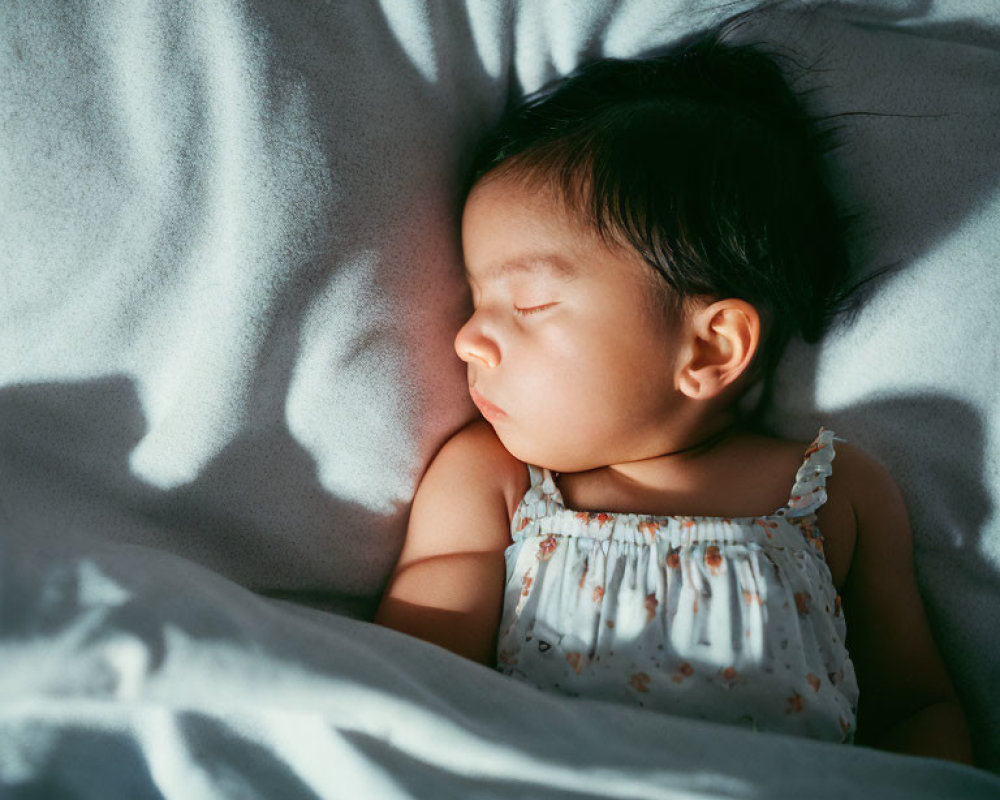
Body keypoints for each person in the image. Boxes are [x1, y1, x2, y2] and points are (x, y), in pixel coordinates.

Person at [375, 24, 973, 763]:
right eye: (474, 298)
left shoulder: (835, 493)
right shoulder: (494, 481)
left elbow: (915, 705)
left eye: (526, 305)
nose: (467, 338)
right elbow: (411, 685)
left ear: (710, 347)